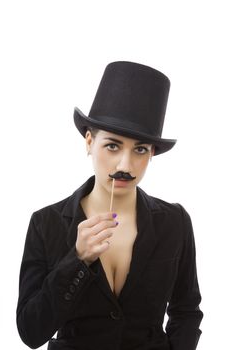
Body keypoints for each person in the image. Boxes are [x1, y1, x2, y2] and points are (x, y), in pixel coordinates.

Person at [16, 61, 203, 350]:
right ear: (89, 141)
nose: (125, 165)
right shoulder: (46, 223)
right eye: (113, 146)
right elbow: (31, 331)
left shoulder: (174, 221)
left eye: (140, 149)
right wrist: (77, 259)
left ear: (152, 153)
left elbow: (187, 311)